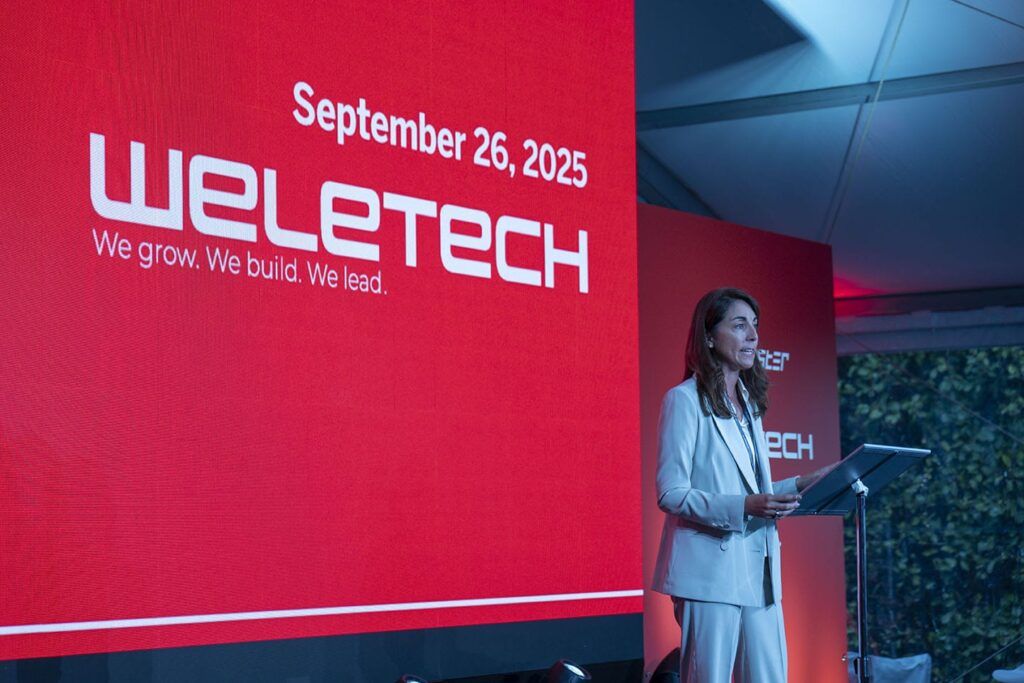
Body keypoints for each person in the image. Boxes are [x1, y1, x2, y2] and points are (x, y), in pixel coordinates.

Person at [652, 287, 831, 683]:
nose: (753, 335)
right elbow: (670, 492)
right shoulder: (684, 400)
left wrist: (802, 483)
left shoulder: (749, 404)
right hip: (709, 573)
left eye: (755, 325)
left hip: (760, 569)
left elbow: (752, 491)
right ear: (709, 336)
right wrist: (745, 507)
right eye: (739, 325)